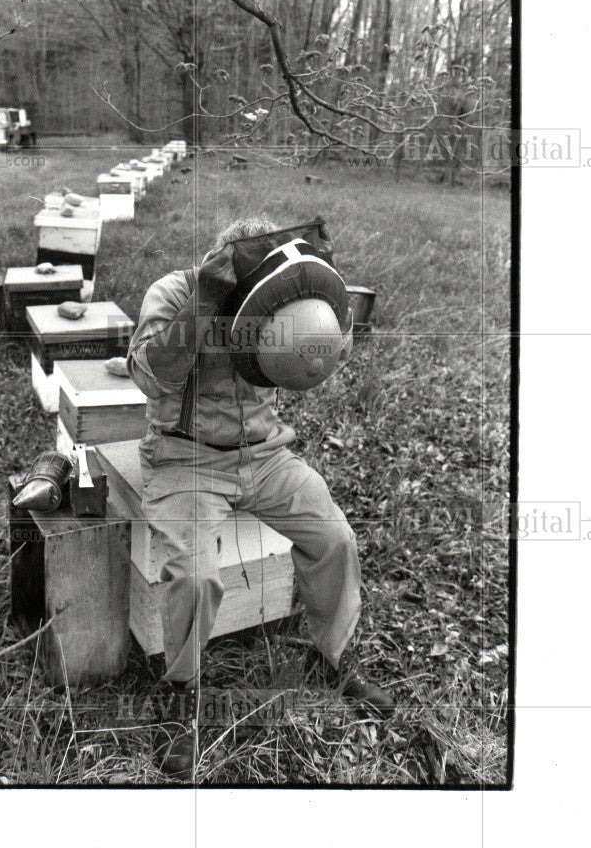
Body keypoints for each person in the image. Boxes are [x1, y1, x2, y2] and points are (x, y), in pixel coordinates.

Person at [126, 218, 393, 778]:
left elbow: (321, 356)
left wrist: (326, 296)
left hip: (267, 455)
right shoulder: (173, 291)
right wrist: (205, 299)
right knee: (196, 576)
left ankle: (332, 656)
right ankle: (181, 696)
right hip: (187, 459)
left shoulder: (279, 297)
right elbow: (152, 377)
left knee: (335, 538)